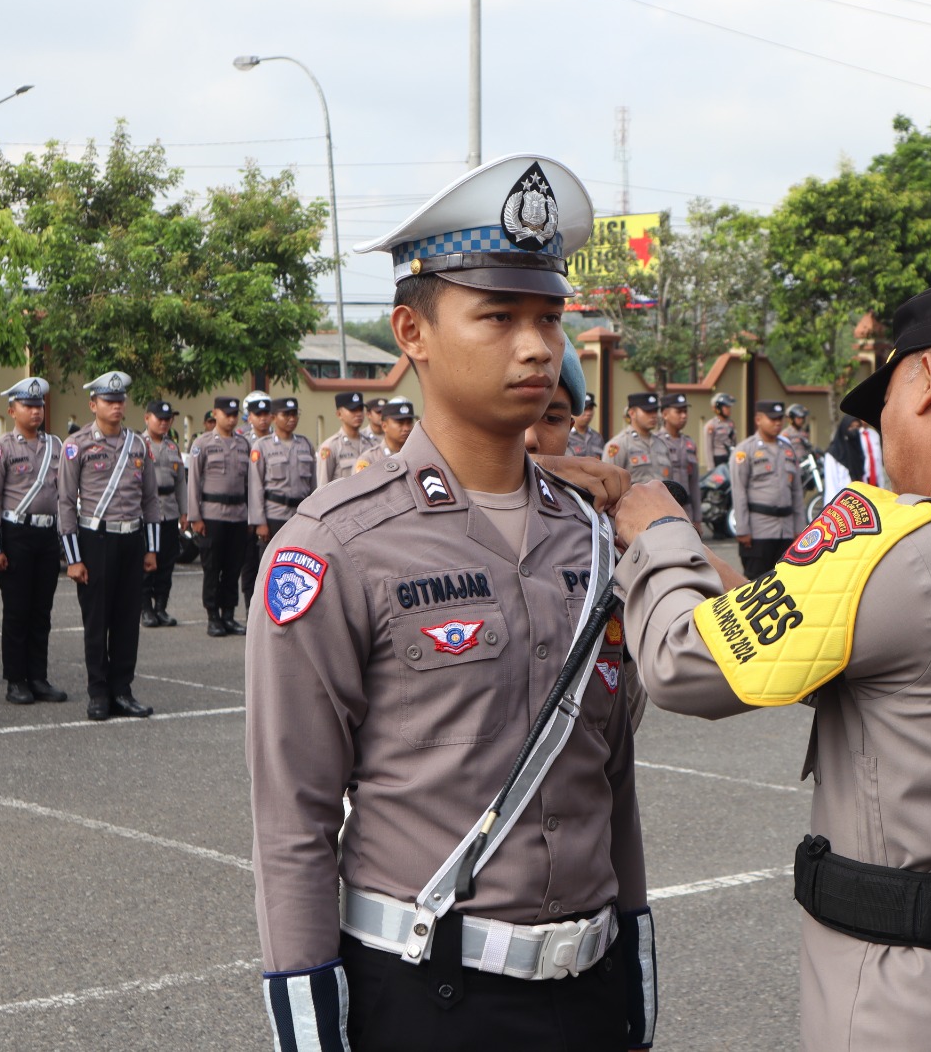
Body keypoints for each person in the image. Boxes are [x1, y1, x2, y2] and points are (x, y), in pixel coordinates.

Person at [611, 275, 931, 1052]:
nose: (884, 428)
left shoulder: (899, 551)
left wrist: (659, 535)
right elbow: (909, 686)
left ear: (926, 380)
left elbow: (681, 664)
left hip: (911, 1002)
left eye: (884, 399)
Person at [246, 153, 654, 1051]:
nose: (539, 345)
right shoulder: (338, 545)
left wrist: (636, 960)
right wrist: (310, 1028)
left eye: (549, 316)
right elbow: (295, 818)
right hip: (428, 1002)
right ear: (412, 332)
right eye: (499, 316)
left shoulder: (587, 535)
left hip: (588, 991)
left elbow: (609, 779)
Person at [59, 371, 161, 722]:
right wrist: (73, 558)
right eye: (108, 401)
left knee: (126, 620)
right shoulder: (77, 445)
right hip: (95, 539)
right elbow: (65, 503)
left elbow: (150, 500)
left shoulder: (138, 444)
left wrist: (152, 549)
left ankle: (123, 690)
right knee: (97, 620)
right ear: (93, 404)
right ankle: (98, 692)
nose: (116, 406)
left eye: (120, 400)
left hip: (131, 538)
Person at [0, 376, 69, 705]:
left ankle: (38, 677)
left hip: (46, 534)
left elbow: (65, 495)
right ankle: (15, 679)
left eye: (39, 405)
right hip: (15, 534)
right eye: (28, 406)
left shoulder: (57, 447)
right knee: (17, 611)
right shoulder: (0, 449)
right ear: (11, 410)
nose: (36, 412)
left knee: (42, 611)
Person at [187, 397, 253, 637]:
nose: (232, 418)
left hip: (238, 515)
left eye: (235, 414)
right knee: (213, 568)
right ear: (216, 414)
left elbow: (250, 484)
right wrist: (195, 516)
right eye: (227, 414)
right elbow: (193, 482)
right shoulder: (202, 444)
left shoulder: (244, 444)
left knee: (233, 568)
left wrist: (251, 517)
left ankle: (228, 615)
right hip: (212, 514)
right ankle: (212, 616)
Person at [730, 399, 805, 579]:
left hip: (786, 530)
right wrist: (742, 529)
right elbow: (739, 491)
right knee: (755, 584)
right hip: (759, 530)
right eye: (772, 419)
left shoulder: (788, 449)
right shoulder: (745, 450)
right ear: (758, 420)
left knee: (786, 583)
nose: (777, 423)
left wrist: (799, 528)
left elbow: (796, 492)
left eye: (780, 418)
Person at [246, 395, 317, 584]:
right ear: (274, 417)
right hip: (274, 516)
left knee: (300, 567)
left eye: (294, 414)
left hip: (300, 516)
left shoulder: (306, 445)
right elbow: (255, 487)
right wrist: (259, 521)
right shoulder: (262, 446)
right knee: (270, 569)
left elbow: (313, 486)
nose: (291, 419)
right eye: (286, 415)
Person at [141, 401, 186, 628]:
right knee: (148, 562)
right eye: (160, 418)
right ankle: (146, 609)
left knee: (167, 562)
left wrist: (184, 511)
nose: (164, 422)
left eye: (168, 419)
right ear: (147, 418)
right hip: (147, 513)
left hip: (169, 511)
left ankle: (161, 607)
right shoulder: (139, 444)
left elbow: (180, 484)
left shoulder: (172, 447)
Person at [239, 394, 276, 607]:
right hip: (245, 507)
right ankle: (249, 607)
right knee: (250, 563)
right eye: (257, 414)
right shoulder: (242, 440)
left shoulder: (276, 438)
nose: (263, 419)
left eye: (266, 414)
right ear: (249, 416)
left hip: (270, 509)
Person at [603, 392, 672, 485]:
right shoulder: (619, 444)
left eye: (655, 411)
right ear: (632, 413)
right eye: (648, 411)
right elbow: (609, 482)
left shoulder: (662, 445)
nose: (653, 415)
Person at [657, 392, 702, 524]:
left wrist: (697, 518)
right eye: (679, 412)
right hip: (664, 509)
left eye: (685, 412)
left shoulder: (689, 443)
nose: (684, 416)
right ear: (665, 414)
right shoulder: (657, 442)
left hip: (686, 510)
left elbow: (694, 483)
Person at [317, 391, 371, 484]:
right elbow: (323, 487)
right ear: (339, 414)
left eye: (360, 409)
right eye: (353, 410)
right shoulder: (330, 447)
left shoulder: (371, 444)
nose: (358, 414)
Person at [352, 399, 417, 473]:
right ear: (384, 426)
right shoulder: (369, 459)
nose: (406, 428)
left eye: (409, 423)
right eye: (400, 423)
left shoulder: (417, 455)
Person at [566, 391, 605, 458]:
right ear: (573, 411)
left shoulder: (597, 437)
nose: (588, 413)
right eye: (585, 409)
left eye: (590, 409)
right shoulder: (565, 436)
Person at [703, 391, 736, 469]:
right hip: (718, 459)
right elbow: (708, 448)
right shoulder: (711, 425)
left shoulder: (731, 424)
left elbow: (734, 442)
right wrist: (711, 468)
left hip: (730, 457)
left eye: (729, 407)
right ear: (718, 408)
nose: (729, 410)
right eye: (726, 407)